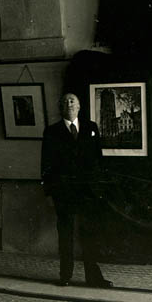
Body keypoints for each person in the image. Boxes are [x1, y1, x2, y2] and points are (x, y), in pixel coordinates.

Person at [40, 92, 113, 288]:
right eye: (65, 101)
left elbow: (98, 161)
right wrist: (48, 193)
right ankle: (65, 275)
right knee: (65, 234)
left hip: (87, 191)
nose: (69, 103)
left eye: (73, 100)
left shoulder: (91, 128)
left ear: (79, 106)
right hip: (63, 192)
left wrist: (98, 187)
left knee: (89, 234)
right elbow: (45, 164)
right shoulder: (51, 131)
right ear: (60, 108)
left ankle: (93, 277)